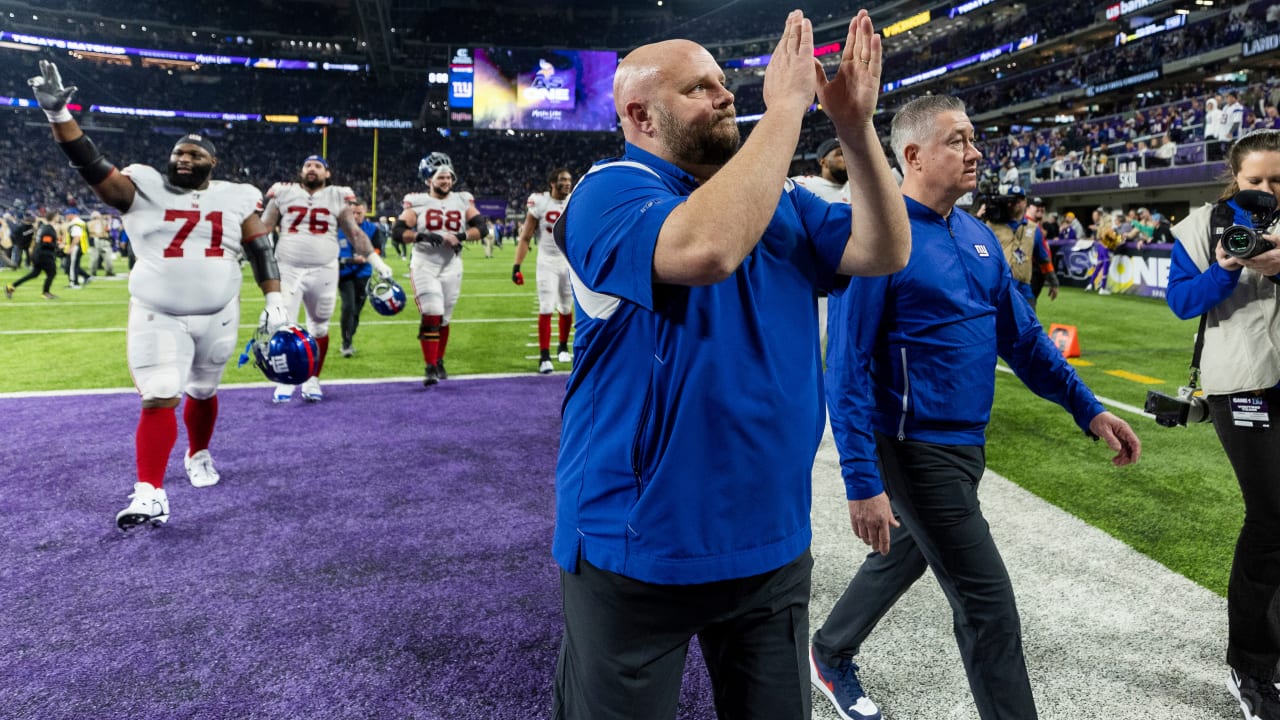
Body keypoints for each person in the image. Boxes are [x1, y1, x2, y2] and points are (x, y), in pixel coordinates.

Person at [550, 11, 910, 720]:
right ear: (638, 115)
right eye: (698, 88)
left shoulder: (785, 201)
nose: (723, 95)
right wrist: (784, 112)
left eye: (723, 82)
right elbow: (706, 249)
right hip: (639, 546)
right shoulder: (604, 192)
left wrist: (854, 126)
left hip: (771, 543)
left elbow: (886, 249)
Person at [812, 94, 1141, 720]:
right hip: (913, 448)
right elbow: (845, 366)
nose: (975, 151)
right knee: (988, 606)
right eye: (957, 140)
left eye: (973, 138)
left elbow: (1024, 340)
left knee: (910, 549)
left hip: (966, 444)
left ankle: (829, 653)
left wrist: (1089, 409)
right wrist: (862, 479)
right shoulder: (878, 235)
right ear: (911, 155)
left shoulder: (976, 235)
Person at [24, 59, 290, 529]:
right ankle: (149, 492)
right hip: (157, 312)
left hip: (219, 313)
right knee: (160, 393)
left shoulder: (235, 195)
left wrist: (274, 299)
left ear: (213, 163)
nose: (184, 159)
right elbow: (92, 167)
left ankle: (198, 452)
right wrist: (59, 118)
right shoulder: (141, 185)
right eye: (179, 153)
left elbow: (258, 246)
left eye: (194, 154)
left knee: (203, 390)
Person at [1165, 129, 1280, 720]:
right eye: (1256, 179)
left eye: (1277, 181)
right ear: (1234, 178)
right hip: (1242, 386)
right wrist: (1229, 265)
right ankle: (1252, 664)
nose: (1266, 190)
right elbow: (1184, 303)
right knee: (1270, 515)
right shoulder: (1196, 229)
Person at [260, 155, 392, 403]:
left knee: (319, 326)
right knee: (283, 324)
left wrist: (376, 261)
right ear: (301, 170)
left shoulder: (337, 196)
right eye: (307, 165)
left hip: (324, 270)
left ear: (327, 173)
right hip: (287, 268)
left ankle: (312, 379)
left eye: (318, 166)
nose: (312, 169)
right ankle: (286, 381)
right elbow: (263, 227)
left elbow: (354, 233)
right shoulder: (283, 193)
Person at [390, 151, 488, 386]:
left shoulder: (463, 199)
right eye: (440, 177)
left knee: (444, 317)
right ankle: (430, 366)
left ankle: (439, 359)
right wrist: (421, 235)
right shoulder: (417, 201)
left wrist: (461, 236)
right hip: (425, 264)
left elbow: (481, 227)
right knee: (431, 311)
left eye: (448, 177)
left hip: (451, 265)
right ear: (428, 179)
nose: (445, 181)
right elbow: (398, 232)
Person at [512, 167, 574, 374]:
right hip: (546, 261)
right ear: (552, 183)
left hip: (568, 262)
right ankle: (544, 356)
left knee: (566, 307)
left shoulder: (575, 199)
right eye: (563, 180)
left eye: (569, 180)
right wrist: (517, 266)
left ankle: (563, 346)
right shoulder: (540, 202)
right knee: (546, 306)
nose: (567, 183)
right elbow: (526, 236)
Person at [336, 200, 385, 357]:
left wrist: (367, 257)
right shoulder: (338, 228)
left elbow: (378, 247)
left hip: (363, 273)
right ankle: (346, 342)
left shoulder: (372, 229)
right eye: (353, 213)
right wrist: (347, 259)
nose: (356, 216)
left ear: (365, 212)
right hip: (344, 273)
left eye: (359, 213)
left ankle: (349, 337)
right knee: (348, 306)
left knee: (357, 310)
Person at [5, 209, 60, 300]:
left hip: (38, 253)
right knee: (51, 273)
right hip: (44, 254)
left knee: (34, 273)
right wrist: (57, 246)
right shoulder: (48, 229)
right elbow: (46, 243)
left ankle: (11, 286)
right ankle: (45, 293)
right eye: (57, 216)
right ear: (54, 217)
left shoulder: (43, 227)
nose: (59, 217)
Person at [793, 137, 852, 203]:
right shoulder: (806, 186)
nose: (848, 158)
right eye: (841, 153)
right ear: (824, 162)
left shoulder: (857, 186)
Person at [64, 207, 89, 288]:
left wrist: (71, 247)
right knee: (74, 265)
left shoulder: (76, 223)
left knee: (72, 266)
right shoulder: (80, 222)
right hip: (80, 246)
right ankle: (85, 277)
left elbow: (76, 237)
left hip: (76, 247)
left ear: (71, 214)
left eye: (67, 215)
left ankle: (74, 283)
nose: (66, 217)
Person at [87, 209, 115, 277]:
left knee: (94, 258)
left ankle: (92, 272)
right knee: (108, 258)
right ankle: (109, 271)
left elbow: (87, 234)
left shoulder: (88, 223)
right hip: (104, 241)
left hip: (95, 241)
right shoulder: (104, 222)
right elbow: (108, 231)